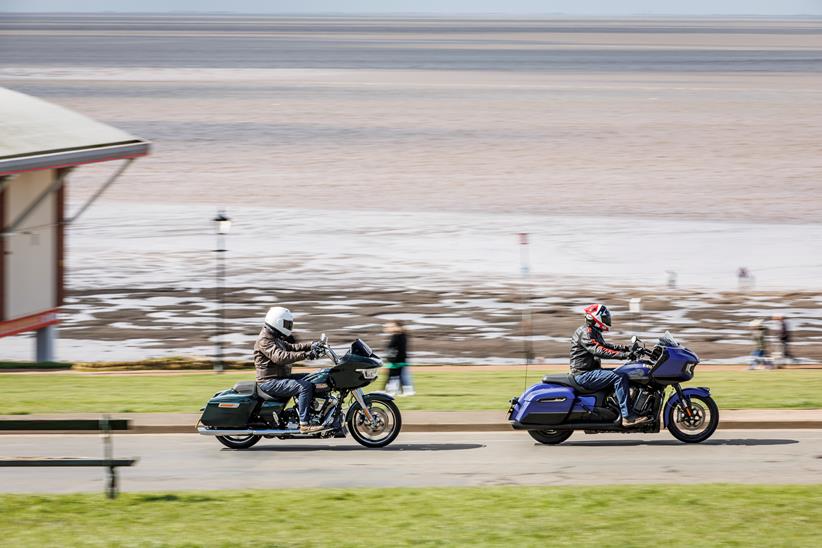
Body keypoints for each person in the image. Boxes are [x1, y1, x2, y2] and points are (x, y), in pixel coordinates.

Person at [570, 303, 649, 427]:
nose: (607, 320)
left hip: (590, 371)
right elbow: (598, 350)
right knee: (619, 377)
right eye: (605, 318)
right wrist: (625, 355)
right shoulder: (585, 332)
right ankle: (627, 417)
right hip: (584, 374)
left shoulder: (592, 331)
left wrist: (627, 349)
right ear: (595, 318)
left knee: (625, 371)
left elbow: (606, 346)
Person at [254, 306, 324, 433]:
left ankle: (316, 412)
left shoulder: (275, 337)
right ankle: (304, 424)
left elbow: (291, 347)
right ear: (277, 321)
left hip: (280, 377)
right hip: (269, 381)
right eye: (287, 324)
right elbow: (280, 357)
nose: (289, 326)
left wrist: (311, 345)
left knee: (314, 377)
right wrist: (306, 355)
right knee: (304, 386)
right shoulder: (265, 340)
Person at [383, 320, 414, 396]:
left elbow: (399, 349)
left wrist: (394, 360)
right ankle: (396, 390)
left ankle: (402, 391)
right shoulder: (398, 335)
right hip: (396, 359)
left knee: (397, 376)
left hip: (398, 360)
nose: (390, 328)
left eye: (392, 326)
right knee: (397, 376)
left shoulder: (400, 336)